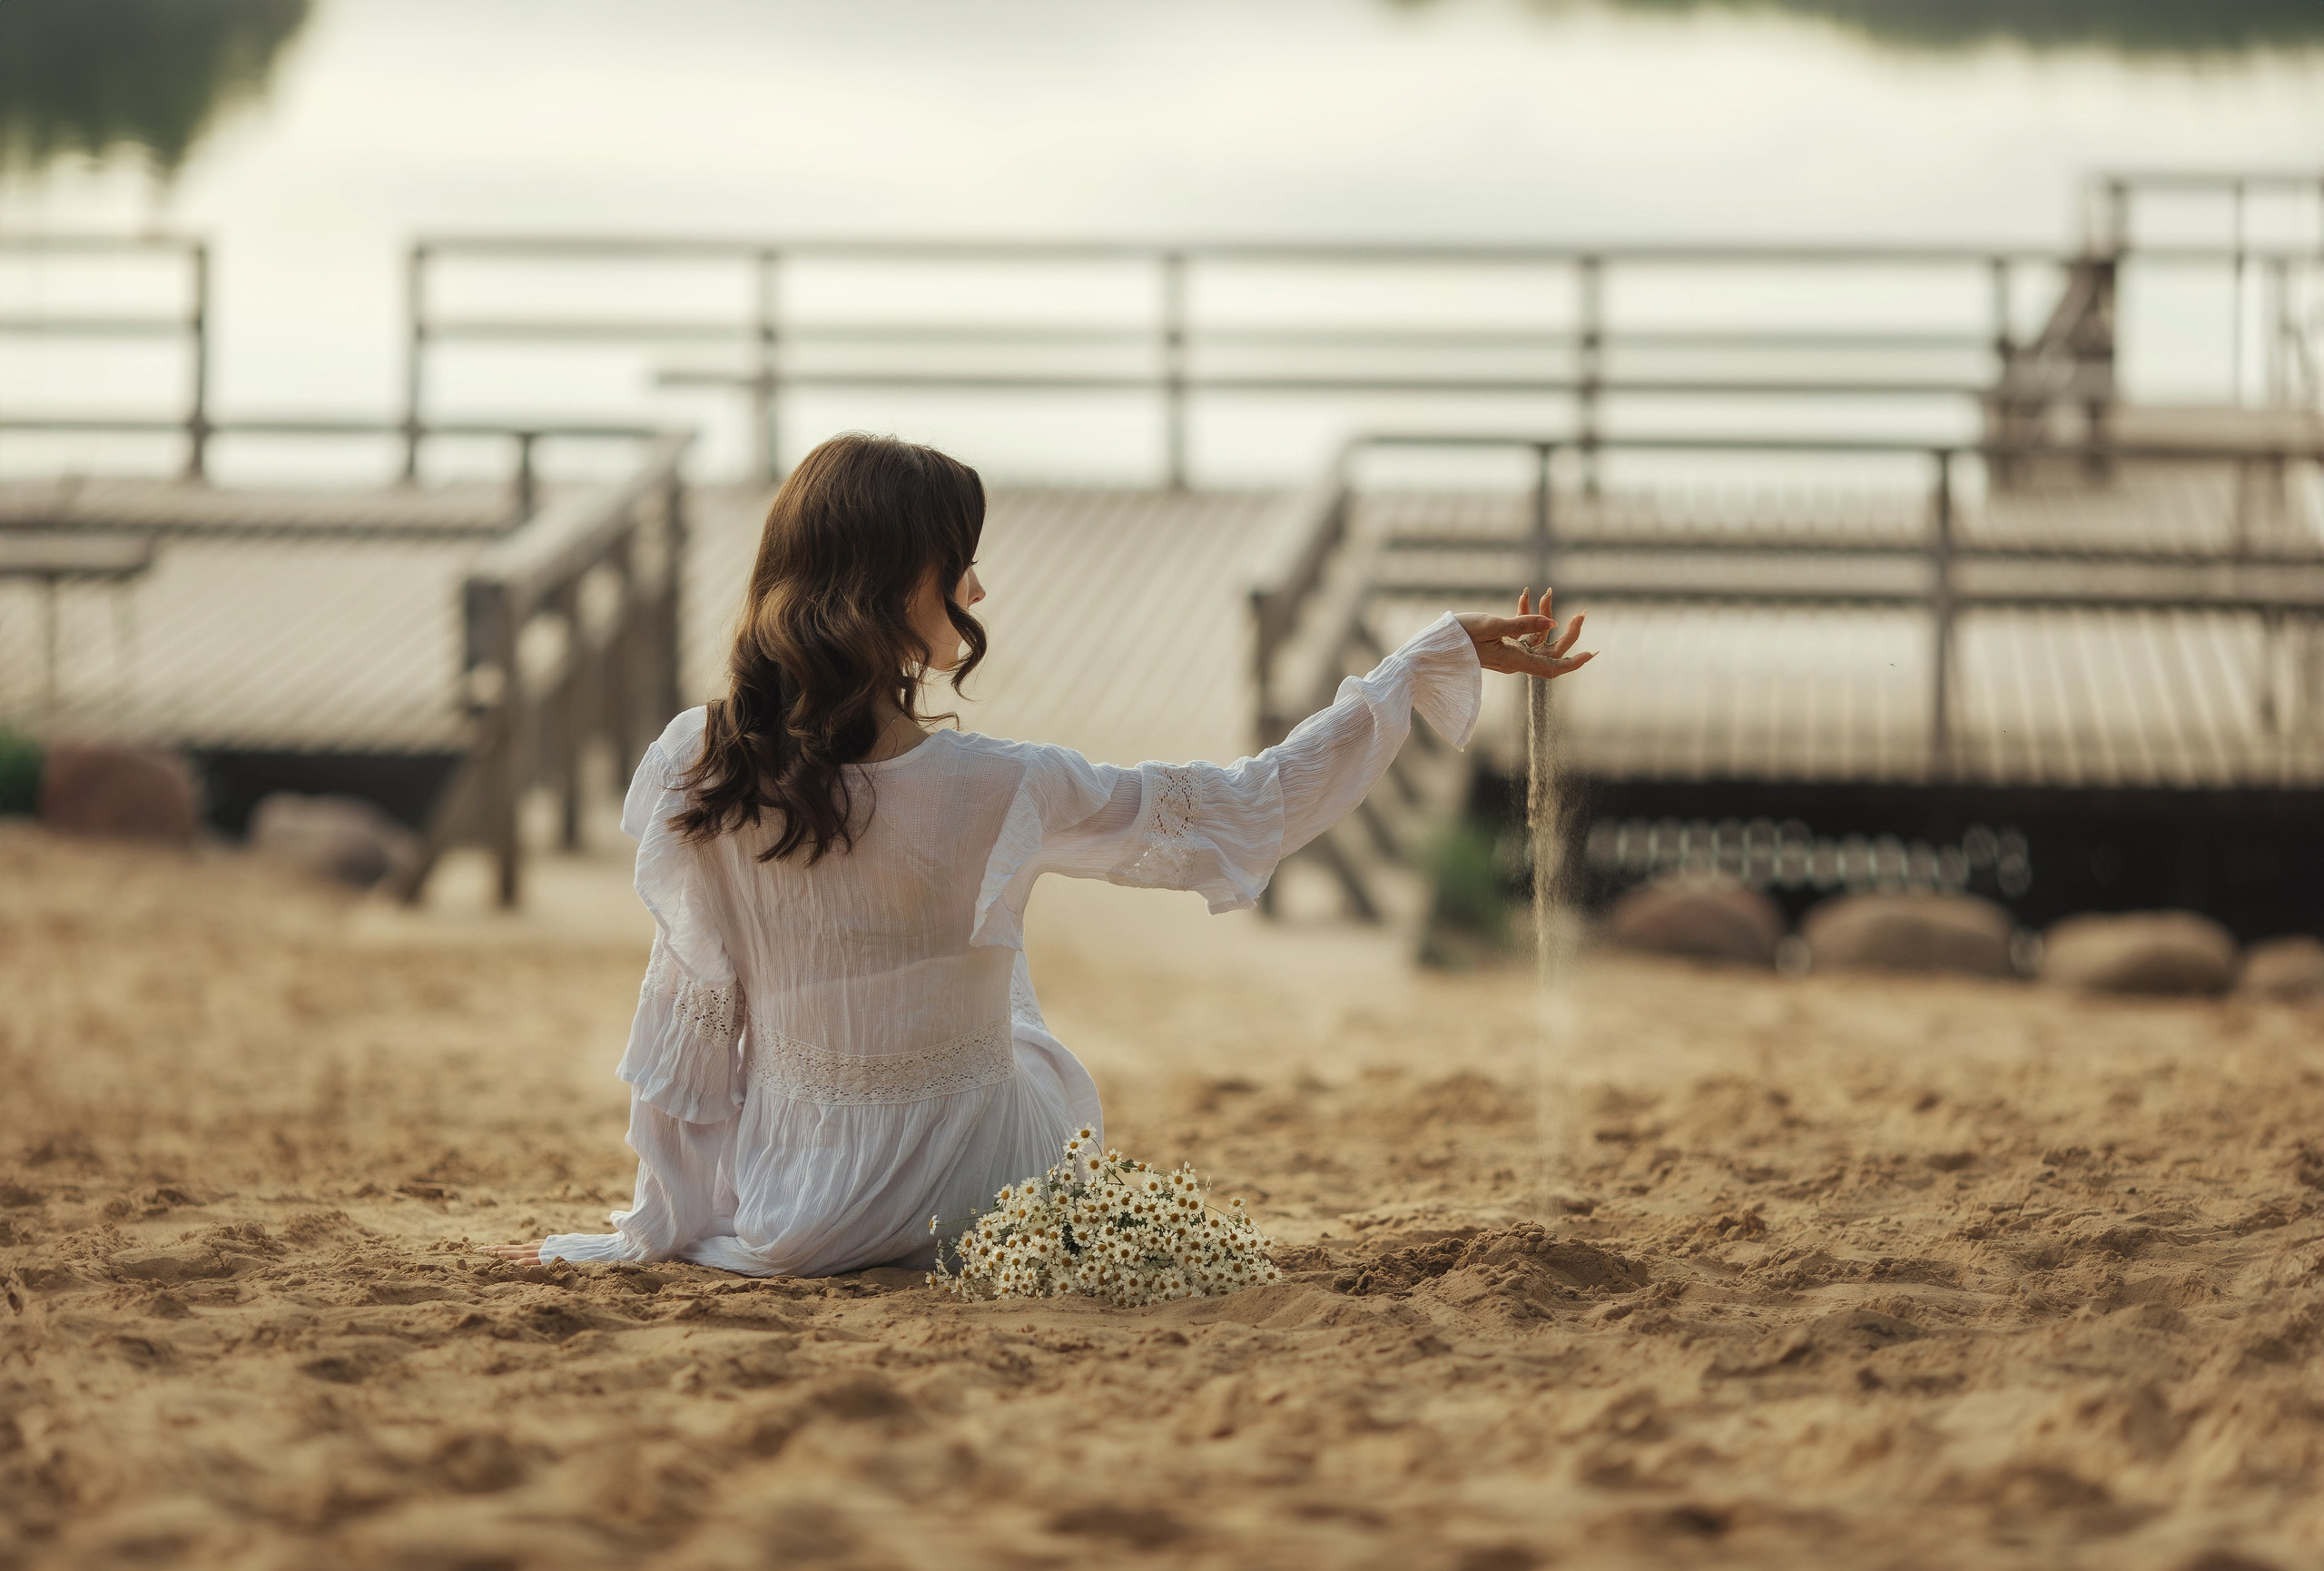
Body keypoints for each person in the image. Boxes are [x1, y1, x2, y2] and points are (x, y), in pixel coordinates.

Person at [487, 433, 1592, 1277]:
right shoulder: (1002, 784)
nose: (975, 592)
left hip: (792, 1205)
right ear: (889, 586)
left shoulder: (699, 762)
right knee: (1005, 975)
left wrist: (671, 1222)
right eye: (956, 566)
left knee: (957, 934)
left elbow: (687, 1029)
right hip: (975, 1188)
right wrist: (1419, 662)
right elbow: (1254, 803)